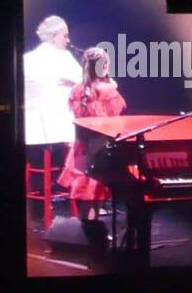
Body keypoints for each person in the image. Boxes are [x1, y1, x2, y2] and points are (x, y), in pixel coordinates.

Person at [57, 48, 128, 222]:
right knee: (94, 195)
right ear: (104, 67)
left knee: (88, 198)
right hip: (101, 150)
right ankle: (92, 236)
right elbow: (114, 117)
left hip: (82, 149)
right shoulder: (109, 89)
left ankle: (88, 235)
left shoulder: (76, 90)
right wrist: (113, 87)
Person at [23, 15, 82, 146]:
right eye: (65, 36)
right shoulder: (63, 57)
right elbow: (83, 82)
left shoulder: (26, 59)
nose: (68, 40)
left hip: (31, 133)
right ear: (54, 36)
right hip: (58, 133)